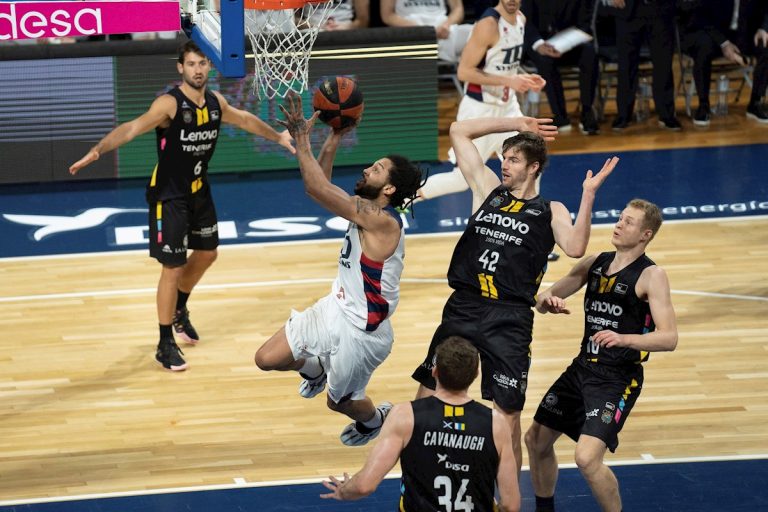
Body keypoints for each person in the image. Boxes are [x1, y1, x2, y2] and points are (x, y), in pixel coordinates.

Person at [69, 41, 295, 372]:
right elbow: (132, 128)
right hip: (168, 196)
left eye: (203, 63)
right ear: (181, 68)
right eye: (191, 64)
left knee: (207, 254)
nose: (198, 69)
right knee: (172, 268)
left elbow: (244, 119)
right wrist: (98, 150)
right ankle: (164, 343)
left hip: (199, 191)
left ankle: (180, 309)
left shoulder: (216, 102)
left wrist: (277, 136)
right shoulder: (169, 104)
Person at [412, 114, 618, 476]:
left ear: (534, 167)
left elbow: (575, 246)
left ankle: (509, 497)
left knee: (507, 415)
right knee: (428, 392)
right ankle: (419, 479)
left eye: (513, 159)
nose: (503, 164)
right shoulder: (487, 188)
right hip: (463, 306)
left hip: (509, 318)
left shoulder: (550, 210)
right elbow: (459, 130)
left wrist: (588, 196)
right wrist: (515, 121)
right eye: (503, 157)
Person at [253, 93, 423, 446]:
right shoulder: (363, 209)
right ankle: (314, 370)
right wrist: (334, 136)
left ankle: (375, 419)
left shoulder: (384, 223)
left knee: (340, 402)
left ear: (389, 188)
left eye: (375, 169)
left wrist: (301, 136)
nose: (365, 169)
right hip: (335, 306)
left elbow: (317, 185)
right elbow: (320, 188)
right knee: (266, 359)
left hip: (363, 333)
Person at [525, 198, 678, 512]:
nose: (619, 224)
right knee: (535, 441)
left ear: (646, 234)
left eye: (629, 222)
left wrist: (624, 338)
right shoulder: (594, 262)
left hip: (617, 378)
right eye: (620, 218)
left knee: (586, 458)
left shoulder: (652, 275)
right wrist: (548, 302)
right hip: (581, 369)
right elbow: (543, 297)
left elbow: (669, 338)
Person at [320, 336, 521, 512]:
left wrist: (344, 491)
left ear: (434, 371)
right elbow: (511, 505)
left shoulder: (404, 415)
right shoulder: (497, 424)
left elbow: (364, 486)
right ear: (476, 374)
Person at [416, 0, 545, 203]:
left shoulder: (520, 19)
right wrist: (510, 81)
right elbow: (464, 71)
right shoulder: (488, 24)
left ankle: (528, 224)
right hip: (479, 111)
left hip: (509, 109)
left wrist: (525, 78)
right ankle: (406, 197)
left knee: (529, 168)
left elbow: (503, 65)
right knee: (461, 180)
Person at [681, 0, 768, 126]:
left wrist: (764, 28)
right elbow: (701, 16)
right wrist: (724, 43)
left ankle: (756, 102)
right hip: (713, 33)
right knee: (703, 47)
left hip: (744, 33)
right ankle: (703, 105)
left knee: (766, 46)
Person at [521, 0, 600, 134]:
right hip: (540, 42)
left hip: (570, 41)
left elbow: (585, 24)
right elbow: (525, 21)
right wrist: (538, 44)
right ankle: (560, 115)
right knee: (545, 61)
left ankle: (587, 111)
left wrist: (566, 43)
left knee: (589, 53)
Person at [609, 0, 682, 131]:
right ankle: (624, 114)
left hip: (661, 9)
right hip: (628, 9)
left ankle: (666, 114)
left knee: (663, 64)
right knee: (626, 66)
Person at [380, 0, 473, 63]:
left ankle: (473, 84)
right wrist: (423, 31)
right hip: (410, 31)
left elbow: (458, 9)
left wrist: (446, 25)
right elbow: (387, 16)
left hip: (444, 30)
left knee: (478, 32)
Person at [302, 0, 370, 30]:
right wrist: (317, 26)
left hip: (345, 27)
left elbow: (363, 20)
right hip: (310, 30)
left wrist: (350, 26)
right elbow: (293, 20)